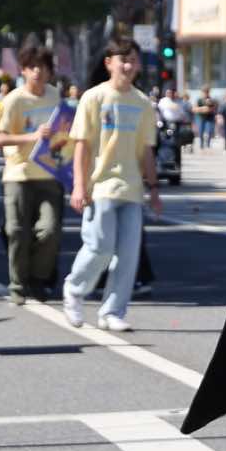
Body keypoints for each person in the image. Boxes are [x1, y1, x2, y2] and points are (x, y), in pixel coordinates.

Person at [63, 36, 161, 333]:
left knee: (129, 255)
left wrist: (154, 188)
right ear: (109, 63)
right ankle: (75, 289)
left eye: (133, 60)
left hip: (131, 188)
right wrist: (79, 186)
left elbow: (146, 150)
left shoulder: (143, 103)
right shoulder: (94, 98)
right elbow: (81, 145)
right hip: (100, 186)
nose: (128, 66)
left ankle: (112, 311)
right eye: (123, 60)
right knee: (100, 248)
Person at [0, 38, 66, 306]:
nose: (38, 72)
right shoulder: (14, 100)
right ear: (23, 70)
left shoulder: (56, 96)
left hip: (49, 175)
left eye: (43, 67)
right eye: (32, 67)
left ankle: (38, 277)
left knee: (50, 230)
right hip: (19, 175)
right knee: (17, 230)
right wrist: (31, 137)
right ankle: (18, 284)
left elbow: (66, 130)